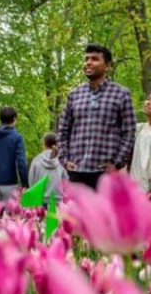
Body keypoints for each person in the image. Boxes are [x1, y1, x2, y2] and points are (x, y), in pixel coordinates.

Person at [57, 43, 137, 189]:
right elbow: (63, 129)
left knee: (105, 212)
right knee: (75, 212)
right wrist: (64, 159)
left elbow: (129, 132)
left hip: (105, 173)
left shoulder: (121, 94)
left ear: (107, 66)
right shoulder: (74, 94)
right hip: (76, 170)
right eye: (86, 59)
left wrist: (117, 163)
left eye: (94, 59)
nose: (88, 62)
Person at [0, 107, 29, 202]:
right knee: (9, 216)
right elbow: (21, 162)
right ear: (14, 119)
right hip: (10, 183)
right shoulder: (17, 137)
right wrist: (25, 183)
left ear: (0, 119)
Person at [28, 132, 68, 204]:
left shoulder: (36, 160)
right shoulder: (61, 160)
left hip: (40, 200)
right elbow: (66, 182)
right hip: (57, 201)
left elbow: (31, 181)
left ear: (44, 144)